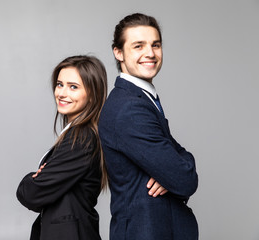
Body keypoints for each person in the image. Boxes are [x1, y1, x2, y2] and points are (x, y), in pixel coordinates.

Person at [98, 13, 199, 240]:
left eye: (156, 45)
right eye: (138, 46)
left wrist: (173, 171)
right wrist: (174, 172)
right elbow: (185, 178)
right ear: (118, 52)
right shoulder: (129, 108)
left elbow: (181, 164)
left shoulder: (141, 100)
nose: (150, 53)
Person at [17, 55, 108, 240]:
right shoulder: (75, 135)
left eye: (73, 87)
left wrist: (31, 179)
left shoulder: (82, 139)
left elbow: (32, 194)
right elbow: (40, 199)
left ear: (92, 95)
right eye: (60, 84)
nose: (62, 93)